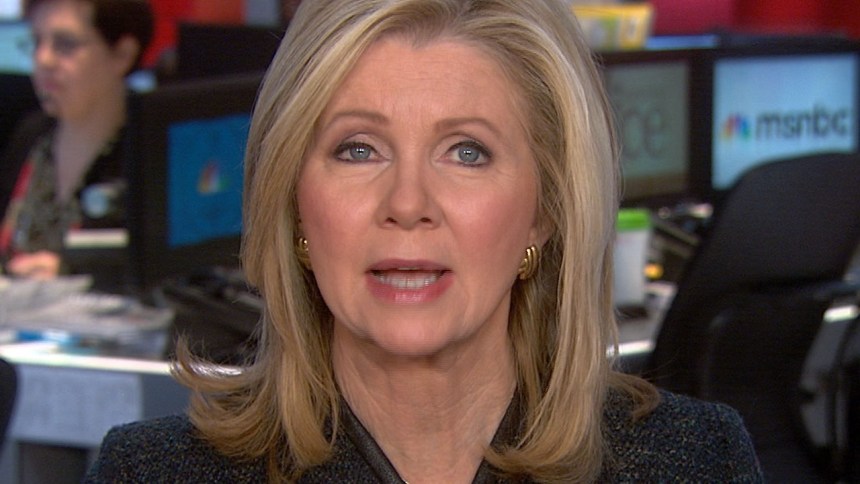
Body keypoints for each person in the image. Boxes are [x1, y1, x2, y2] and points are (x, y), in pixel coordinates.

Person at [84, 0, 764, 482]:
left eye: (467, 152)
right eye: (358, 149)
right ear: (293, 204)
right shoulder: (150, 473)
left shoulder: (694, 462)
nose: (408, 204)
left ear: (544, 212)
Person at [0, 0, 153, 279]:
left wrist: (75, 271)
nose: (43, 60)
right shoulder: (32, 134)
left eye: (65, 45)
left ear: (122, 55)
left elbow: (174, 272)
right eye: (36, 42)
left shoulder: (152, 151)